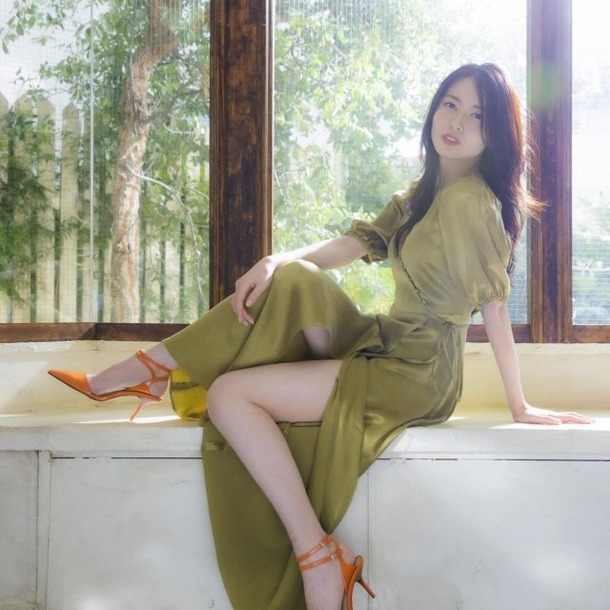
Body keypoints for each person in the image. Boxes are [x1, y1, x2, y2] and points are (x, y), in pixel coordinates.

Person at [48, 63, 593, 610]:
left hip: (419, 373)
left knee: (229, 396)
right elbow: (351, 246)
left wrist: (519, 404)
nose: (456, 122)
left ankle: (315, 556)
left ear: (494, 135)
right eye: (450, 104)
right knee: (294, 277)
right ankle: (153, 369)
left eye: (477, 115)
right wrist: (274, 258)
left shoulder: (472, 202)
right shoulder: (421, 194)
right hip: (384, 341)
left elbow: (493, 306)